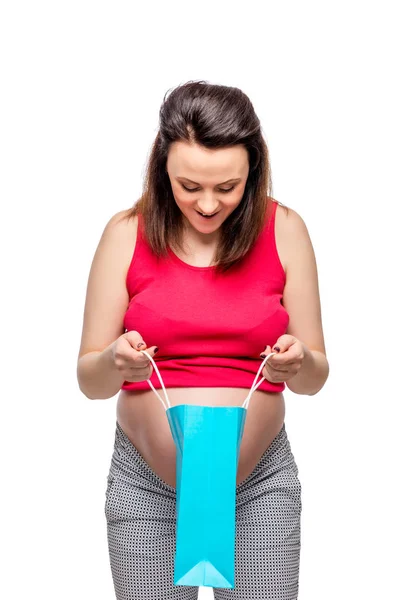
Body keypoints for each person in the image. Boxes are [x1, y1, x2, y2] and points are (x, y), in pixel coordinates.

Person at [77, 80, 329, 600]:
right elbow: (89, 380)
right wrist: (114, 361)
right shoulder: (126, 232)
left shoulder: (285, 229)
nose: (209, 204)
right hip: (147, 485)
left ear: (252, 171)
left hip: (256, 485)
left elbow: (315, 376)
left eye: (228, 187)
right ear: (162, 166)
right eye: (189, 186)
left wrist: (298, 362)